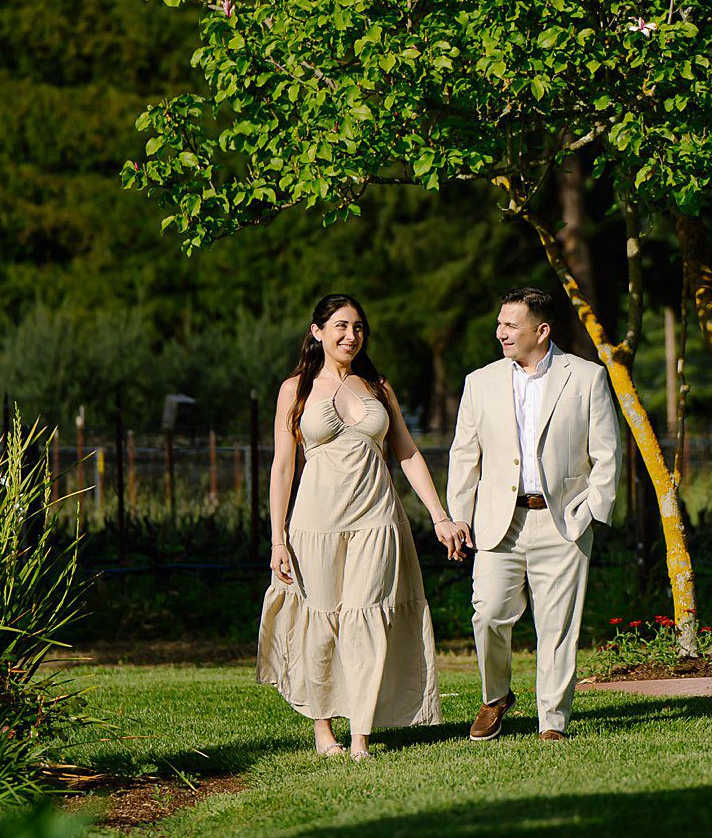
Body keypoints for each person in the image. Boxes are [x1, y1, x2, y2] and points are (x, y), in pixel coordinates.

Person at [256, 294, 470, 758]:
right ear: (317, 331)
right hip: (315, 522)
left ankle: (361, 736)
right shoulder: (295, 389)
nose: (350, 335)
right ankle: (323, 732)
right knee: (322, 620)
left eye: (357, 327)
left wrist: (440, 517)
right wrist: (279, 539)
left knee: (366, 616)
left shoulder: (378, 386)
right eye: (340, 325)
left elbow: (408, 454)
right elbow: (282, 467)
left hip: (377, 518)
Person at [446, 286, 621, 742]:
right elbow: (465, 456)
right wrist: (458, 515)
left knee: (557, 625)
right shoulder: (479, 382)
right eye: (500, 323)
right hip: (497, 522)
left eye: (510, 325)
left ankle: (553, 721)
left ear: (541, 331)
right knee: (487, 615)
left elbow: (608, 453)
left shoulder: (586, 377)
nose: (499, 332)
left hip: (562, 520)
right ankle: (495, 697)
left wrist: (591, 510)